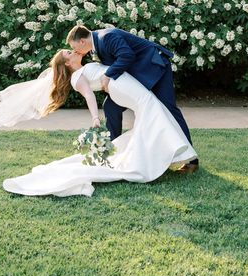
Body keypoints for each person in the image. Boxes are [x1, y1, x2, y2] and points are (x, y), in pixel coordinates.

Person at [0, 49, 197, 198]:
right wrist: (95, 118)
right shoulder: (76, 77)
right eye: (69, 52)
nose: (73, 51)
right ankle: (169, 155)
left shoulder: (83, 68)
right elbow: (90, 96)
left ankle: (169, 153)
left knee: (151, 109)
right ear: (68, 63)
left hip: (119, 87)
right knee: (151, 107)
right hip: (119, 89)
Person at [67, 24, 199, 173]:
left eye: (74, 47)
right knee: (110, 106)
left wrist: (108, 74)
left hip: (154, 67)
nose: (75, 51)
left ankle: (191, 160)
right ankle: (112, 153)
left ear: (82, 41)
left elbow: (127, 55)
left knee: (169, 108)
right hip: (136, 79)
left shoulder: (107, 37)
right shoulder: (96, 47)